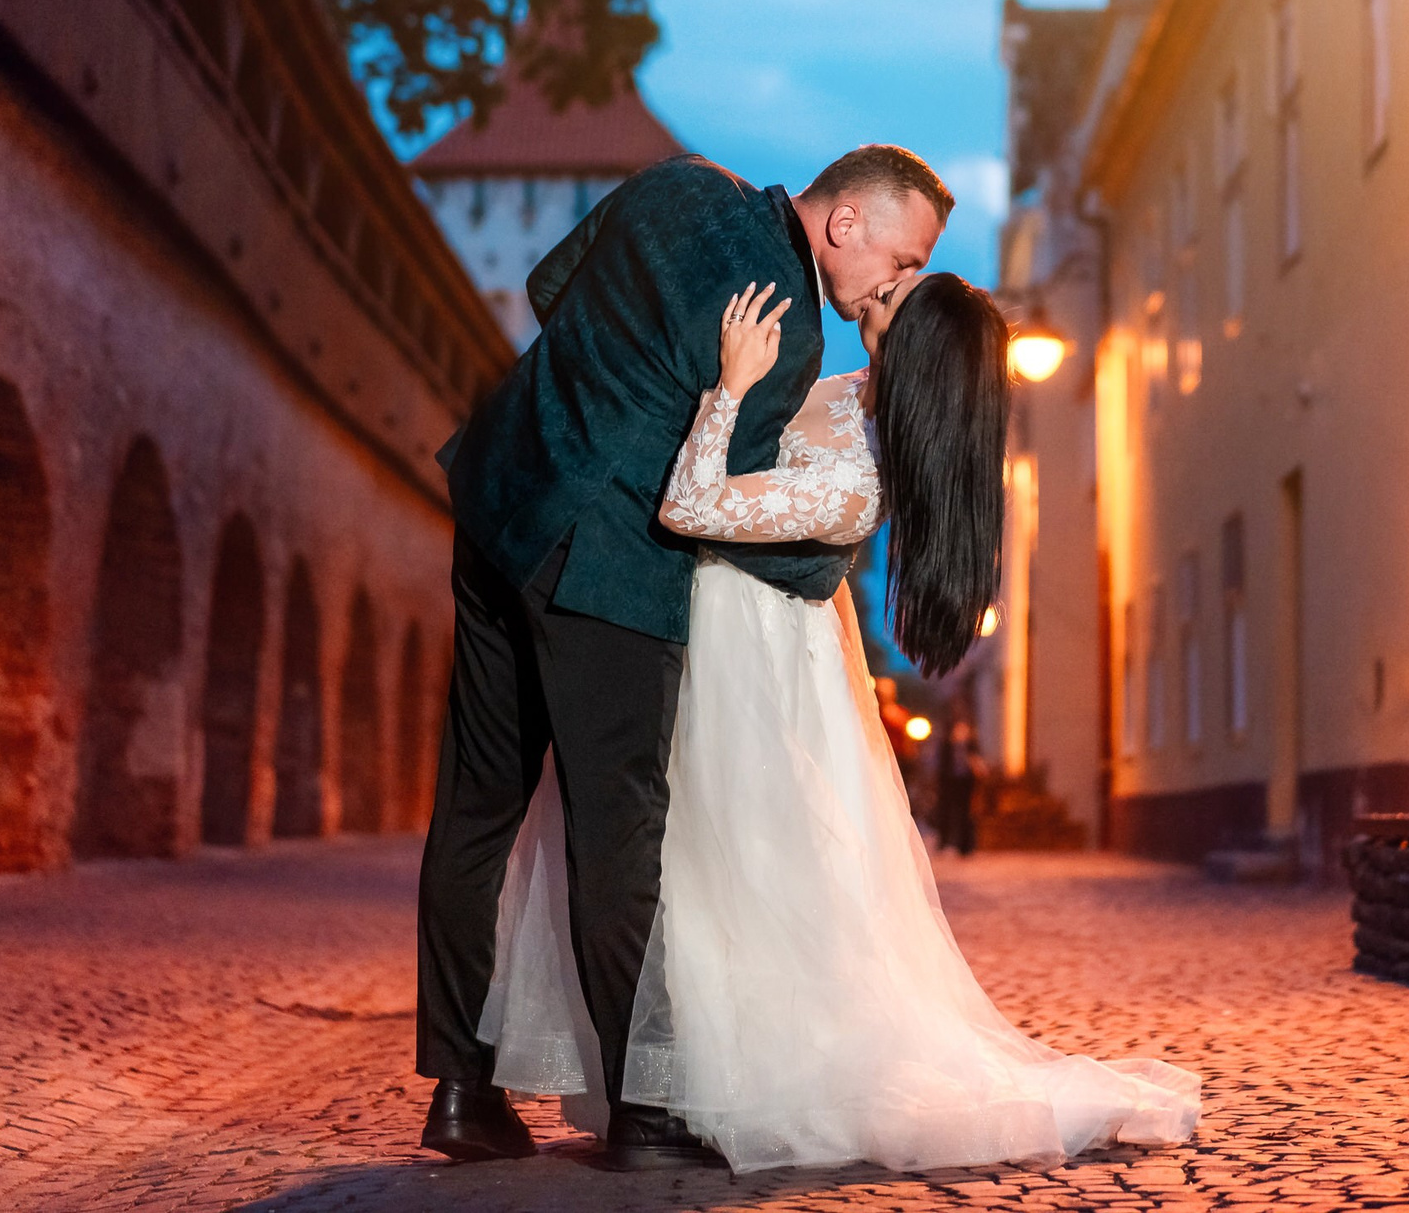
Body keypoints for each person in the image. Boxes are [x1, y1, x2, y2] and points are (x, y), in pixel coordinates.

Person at [476, 270, 1200, 1174]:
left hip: (749, 671)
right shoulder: (844, 389)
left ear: (919, 352)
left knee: (732, 866)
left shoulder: (862, 477)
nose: (882, 290)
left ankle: (719, 1079)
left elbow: (695, 505)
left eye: (901, 297)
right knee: (676, 865)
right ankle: (668, 1073)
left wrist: (733, 385)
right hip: (701, 637)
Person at [417, 146, 949, 1172]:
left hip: (499, 502)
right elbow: (716, 507)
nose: (895, 279)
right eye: (903, 253)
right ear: (846, 222)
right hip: (611, 575)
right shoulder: (785, 334)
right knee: (620, 834)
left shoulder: (673, 182)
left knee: (478, 803)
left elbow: (547, 290)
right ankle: (642, 1111)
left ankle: (460, 1093)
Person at [933, 716, 985, 858]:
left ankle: (966, 847)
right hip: (949, 784)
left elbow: (979, 765)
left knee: (965, 814)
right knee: (947, 813)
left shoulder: (971, 746)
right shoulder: (946, 746)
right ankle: (945, 844)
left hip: (965, 784)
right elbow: (940, 765)